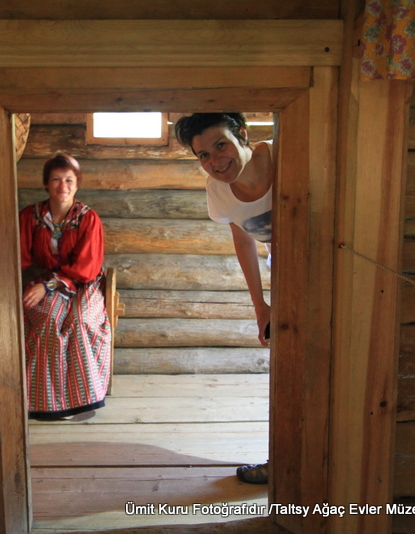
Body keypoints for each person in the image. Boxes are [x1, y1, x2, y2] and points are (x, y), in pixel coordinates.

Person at [174, 113, 273, 484]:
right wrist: (261, 306)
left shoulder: (286, 155)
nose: (215, 161)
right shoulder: (218, 191)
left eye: (221, 145)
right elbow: (244, 240)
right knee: (288, 368)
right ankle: (283, 459)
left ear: (242, 135)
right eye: (203, 155)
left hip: (334, 265)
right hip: (289, 276)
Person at [19, 153, 112, 420]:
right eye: (56, 179)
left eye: (69, 180)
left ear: (77, 184)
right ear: (46, 183)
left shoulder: (87, 218)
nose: (63, 186)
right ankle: (48, 402)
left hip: (83, 282)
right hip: (44, 280)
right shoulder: (30, 216)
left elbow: (87, 266)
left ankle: (84, 399)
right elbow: (21, 257)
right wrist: (34, 284)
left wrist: (50, 285)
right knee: (48, 318)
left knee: (81, 321)